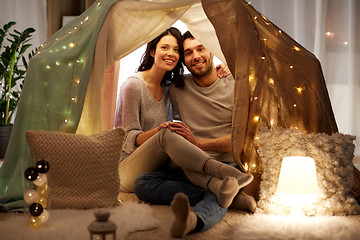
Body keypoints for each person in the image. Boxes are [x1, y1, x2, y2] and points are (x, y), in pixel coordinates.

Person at [133, 31, 257, 238]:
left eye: (200, 49)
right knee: (142, 183)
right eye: (188, 52)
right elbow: (153, 79)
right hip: (191, 166)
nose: (196, 56)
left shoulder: (236, 85)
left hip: (227, 165)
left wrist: (199, 144)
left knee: (217, 187)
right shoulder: (177, 87)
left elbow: (240, 141)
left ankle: (195, 220)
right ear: (184, 60)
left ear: (212, 52)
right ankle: (232, 196)